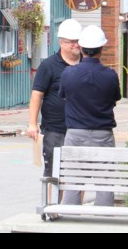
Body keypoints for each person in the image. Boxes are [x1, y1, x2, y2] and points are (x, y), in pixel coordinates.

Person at [58, 24, 122, 206]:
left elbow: (63, 96)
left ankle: (69, 217)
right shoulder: (110, 75)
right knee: (104, 182)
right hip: (103, 133)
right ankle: (104, 219)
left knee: (74, 179)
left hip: (76, 133)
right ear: (101, 49)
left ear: (82, 48)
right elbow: (115, 98)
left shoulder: (68, 73)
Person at [27, 18, 82, 180]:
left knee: (78, 174)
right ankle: (54, 205)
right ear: (61, 43)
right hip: (55, 128)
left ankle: (75, 205)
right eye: (72, 42)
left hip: (80, 128)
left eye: (78, 41)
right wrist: (32, 124)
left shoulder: (86, 64)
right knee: (55, 175)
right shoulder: (49, 66)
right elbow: (37, 94)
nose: (76, 45)